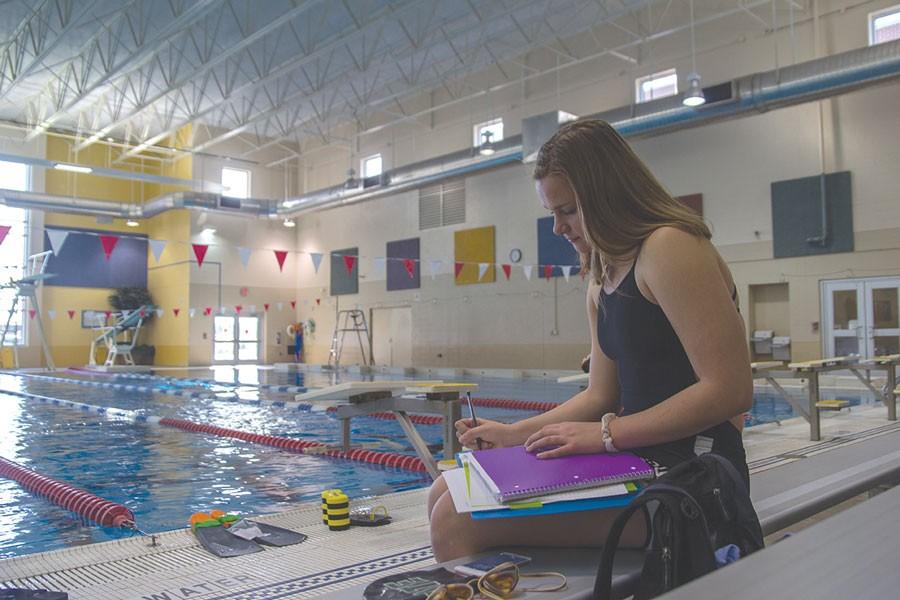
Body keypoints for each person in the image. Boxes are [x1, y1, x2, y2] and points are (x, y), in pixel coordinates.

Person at [427, 119, 752, 562]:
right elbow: (601, 395)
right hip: (632, 460)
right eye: (552, 213)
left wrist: (607, 435)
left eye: (568, 210)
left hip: (694, 477)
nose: (558, 228)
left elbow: (729, 389)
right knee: (446, 489)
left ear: (607, 194)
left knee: (456, 520)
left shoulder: (670, 248)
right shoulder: (602, 277)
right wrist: (513, 434)